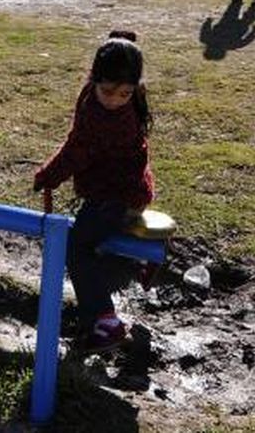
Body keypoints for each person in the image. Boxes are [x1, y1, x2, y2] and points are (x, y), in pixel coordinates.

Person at [33, 31, 155, 352]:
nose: (115, 100)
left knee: (76, 246)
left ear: (135, 89)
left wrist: (49, 175)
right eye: (108, 91)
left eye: (124, 95)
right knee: (92, 237)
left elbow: (77, 152)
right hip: (119, 188)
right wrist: (121, 40)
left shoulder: (107, 118)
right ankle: (135, 261)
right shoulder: (99, 98)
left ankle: (106, 320)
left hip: (117, 193)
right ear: (94, 77)